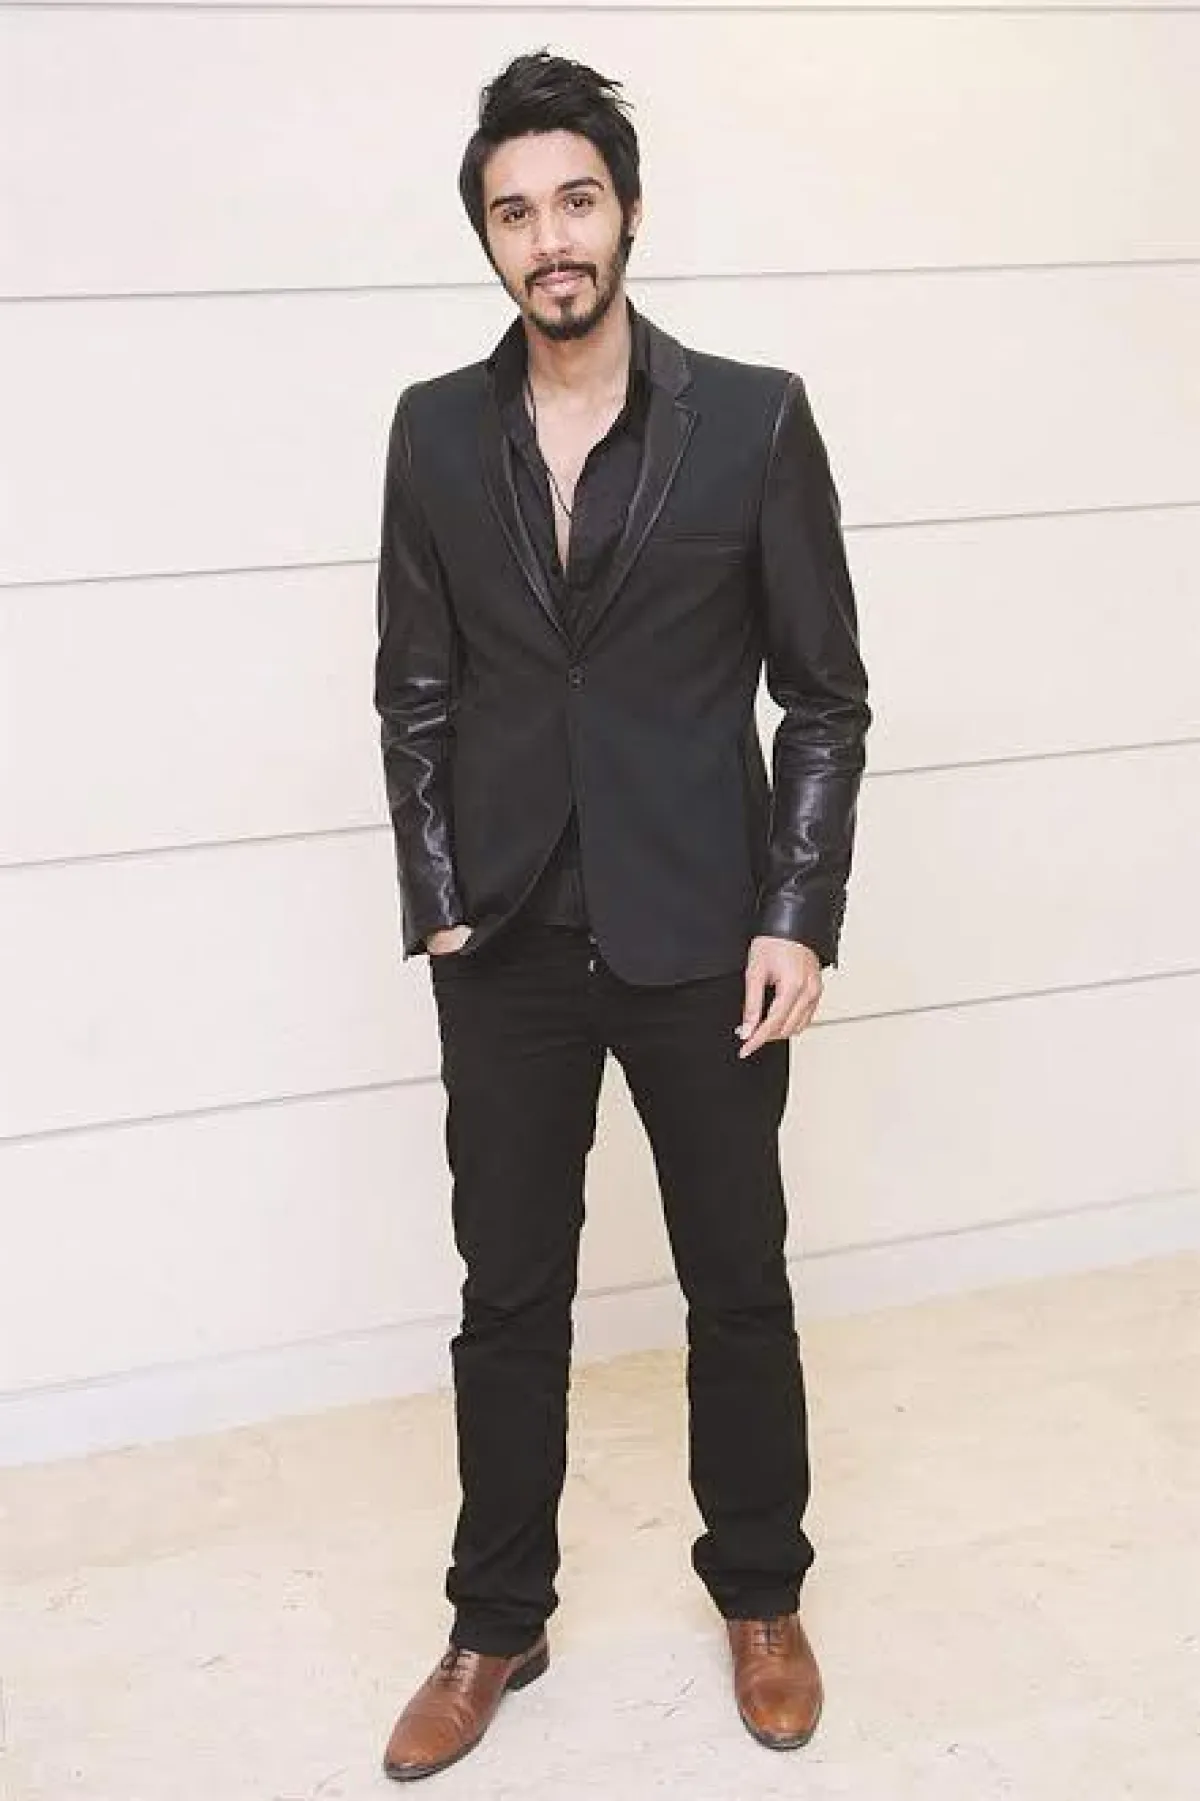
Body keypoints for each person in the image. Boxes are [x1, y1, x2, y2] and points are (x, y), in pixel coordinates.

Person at [373, 50, 870, 1782]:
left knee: (736, 1281)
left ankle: (762, 1597)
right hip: (507, 944)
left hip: (704, 934)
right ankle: (495, 1621)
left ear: (630, 212)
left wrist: (797, 908)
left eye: (575, 199)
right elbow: (414, 689)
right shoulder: (436, 430)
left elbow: (824, 694)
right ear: (488, 240)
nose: (550, 237)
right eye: (515, 212)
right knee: (509, 1296)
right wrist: (441, 906)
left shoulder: (755, 417)